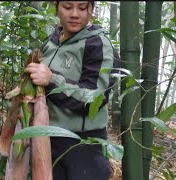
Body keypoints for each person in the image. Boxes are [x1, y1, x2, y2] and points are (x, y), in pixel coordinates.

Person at [25, 1, 117, 179]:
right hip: (47, 139)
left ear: (91, 9)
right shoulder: (51, 42)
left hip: (83, 145)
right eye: (67, 7)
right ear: (56, 7)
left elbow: (95, 99)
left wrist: (51, 79)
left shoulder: (97, 45)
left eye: (82, 8)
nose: (75, 14)